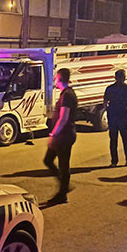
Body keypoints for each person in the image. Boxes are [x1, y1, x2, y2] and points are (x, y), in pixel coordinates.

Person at [43, 68, 77, 205]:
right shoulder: (66, 93)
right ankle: (64, 186)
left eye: (56, 78)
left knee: (63, 164)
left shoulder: (67, 95)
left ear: (60, 79)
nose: (55, 81)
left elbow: (64, 118)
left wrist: (53, 134)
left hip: (64, 135)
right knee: (49, 160)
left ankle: (62, 193)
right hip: (63, 135)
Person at [104, 70, 127, 167]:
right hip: (123, 115)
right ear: (124, 77)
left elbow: (105, 103)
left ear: (115, 78)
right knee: (126, 140)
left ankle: (114, 161)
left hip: (113, 116)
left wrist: (109, 111)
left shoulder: (110, 88)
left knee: (113, 140)